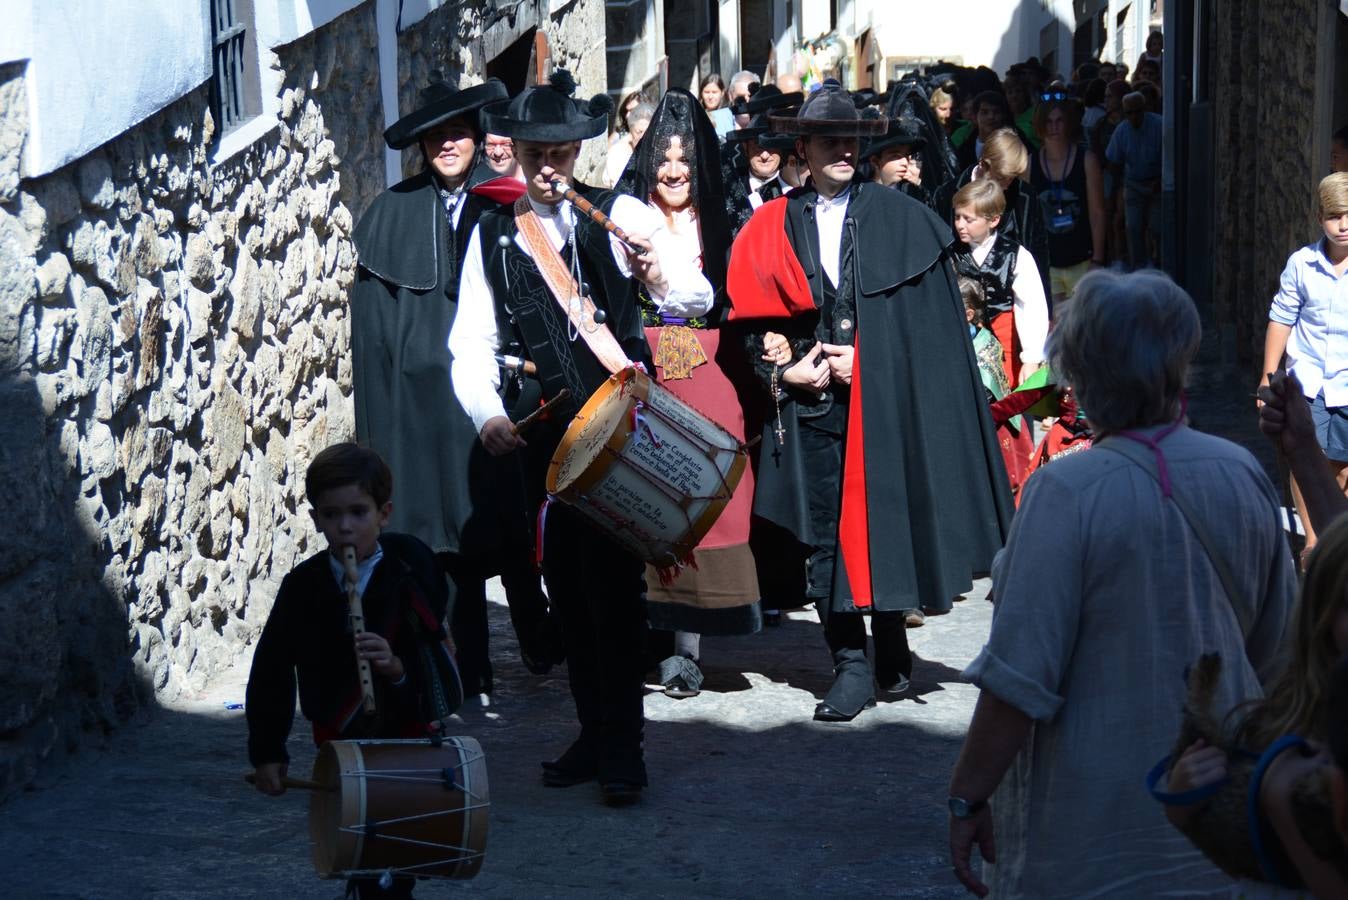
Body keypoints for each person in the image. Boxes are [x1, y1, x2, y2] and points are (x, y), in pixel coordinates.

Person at [947, 269, 1297, 899]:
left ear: (1078, 371)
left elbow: (1020, 678)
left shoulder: (1065, 492)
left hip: (1096, 826)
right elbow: (1276, 654)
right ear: (1178, 362)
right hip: (1219, 812)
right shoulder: (1239, 472)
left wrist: (966, 797)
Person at [449, 70, 714, 804]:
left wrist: (652, 264)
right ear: (517, 150)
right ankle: (594, 731)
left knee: (617, 592)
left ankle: (624, 746)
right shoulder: (493, 233)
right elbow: (469, 341)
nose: (547, 166)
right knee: (565, 590)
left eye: (561, 152)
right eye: (536, 150)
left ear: (577, 152)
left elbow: (696, 296)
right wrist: (485, 412)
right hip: (544, 435)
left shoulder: (621, 211)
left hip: (623, 430)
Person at [727, 82, 1013, 722]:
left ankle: (889, 642)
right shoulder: (772, 224)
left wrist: (868, 363)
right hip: (811, 411)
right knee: (825, 535)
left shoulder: (901, 219)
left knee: (887, 518)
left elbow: (934, 338)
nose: (842, 152)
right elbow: (750, 327)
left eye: (851, 141)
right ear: (802, 148)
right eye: (829, 141)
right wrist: (784, 365)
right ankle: (848, 662)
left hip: (881, 405)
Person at [349, 75, 556, 706]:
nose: (447, 144)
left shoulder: (505, 205)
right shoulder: (390, 213)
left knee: (494, 529)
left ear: (476, 137)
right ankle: (447, 662)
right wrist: (377, 426)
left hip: (486, 399)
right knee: (428, 541)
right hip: (414, 409)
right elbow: (372, 333)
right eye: (435, 135)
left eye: (457, 133)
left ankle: (528, 636)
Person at [246, 443, 458, 900]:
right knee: (358, 852)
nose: (344, 526)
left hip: (403, 743)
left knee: (391, 861)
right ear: (316, 517)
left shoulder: (406, 578)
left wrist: (396, 667)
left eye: (358, 512)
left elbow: (440, 672)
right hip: (339, 744)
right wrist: (268, 752)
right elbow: (272, 670)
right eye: (331, 514)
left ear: (384, 514)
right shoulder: (302, 588)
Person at [613, 87, 756, 695]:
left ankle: (687, 643)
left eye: (685, 160)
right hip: (640, 359)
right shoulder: (626, 216)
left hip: (705, 360)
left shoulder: (721, 222)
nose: (673, 171)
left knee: (704, 487)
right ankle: (637, 630)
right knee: (639, 491)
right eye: (663, 159)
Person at [1163, 516, 1348, 896]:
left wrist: (1281, 802)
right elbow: (1240, 853)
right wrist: (1185, 806)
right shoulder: (1277, 719)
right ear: (1322, 612)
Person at [1261, 172, 1348, 566]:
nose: (1343, 225)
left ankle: (1338, 537)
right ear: (1319, 218)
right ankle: (1313, 541)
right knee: (1304, 454)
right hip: (1309, 381)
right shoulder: (1302, 263)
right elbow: (1281, 318)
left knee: (1341, 468)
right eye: (1334, 216)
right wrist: (1269, 377)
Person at [951, 178, 1048, 387]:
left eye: (968, 219)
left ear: (993, 220)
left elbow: (1032, 307)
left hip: (1005, 348)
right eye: (957, 217)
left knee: (1008, 407)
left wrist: (1031, 358)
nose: (960, 224)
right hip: (962, 346)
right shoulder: (951, 254)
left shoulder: (1015, 255)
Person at [936, 127, 1051, 297]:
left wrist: (1045, 305)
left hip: (1013, 299)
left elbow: (1039, 251)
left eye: (1012, 178)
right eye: (1001, 178)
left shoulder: (1024, 195)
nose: (1007, 185)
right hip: (964, 298)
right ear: (983, 164)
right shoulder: (947, 195)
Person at [1029, 92, 1107, 305]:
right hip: (1047, 261)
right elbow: (1027, 217)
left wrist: (1098, 259)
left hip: (1082, 258)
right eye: (1049, 121)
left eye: (1059, 120)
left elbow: (1097, 213)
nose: (1054, 127)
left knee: (1083, 327)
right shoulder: (1029, 164)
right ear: (1040, 124)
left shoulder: (1087, 160)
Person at [1105, 91, 1163, 269]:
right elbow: (1113, 164)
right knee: (1133, 227)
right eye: (1129, 113)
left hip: (1156, 183)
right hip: (1133, 184)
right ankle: (1138, 265)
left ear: (1144, 109)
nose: (1133, 116)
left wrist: (1161, 179)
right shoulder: (1121, 132)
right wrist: (1112, 195)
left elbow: (1169, 156)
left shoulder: (1158, 125)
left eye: (1137, 111)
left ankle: (1159, 261)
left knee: (1157, 226)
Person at [864, 116, 931, 207]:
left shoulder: (915, 195)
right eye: (896, 156)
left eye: (907, 155)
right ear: (875, 161)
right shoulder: (861, 195)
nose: (904, 162)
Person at [603, 100, 652, 188]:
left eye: (647, 132)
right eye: (639, 132)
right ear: (632, 131)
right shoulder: (617, 154)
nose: (643, 137)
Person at [700, 73, 734, 141]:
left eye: (714, 92)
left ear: (722, 93)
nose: (710, 97)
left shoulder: (727, 114)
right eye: (706, 92)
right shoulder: (697, 114)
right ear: (701, 93)